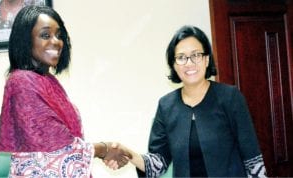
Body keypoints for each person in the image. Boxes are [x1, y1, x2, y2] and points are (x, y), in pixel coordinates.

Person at [114, 25, 267, 177]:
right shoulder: (166, 106)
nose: (189, 63)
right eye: (181, 57)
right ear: (174, 65)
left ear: (206, 59)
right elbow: (158, 163)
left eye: (196, 55)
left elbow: (252, 159)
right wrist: (129, 155)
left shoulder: (230, 97)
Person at [0, 5, 130, 177]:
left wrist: (102, 150)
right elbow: (58, 151)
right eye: (45, 35)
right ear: (25, 40)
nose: (56, 42)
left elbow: (64, 141)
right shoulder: (22, 81)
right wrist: (104, 149)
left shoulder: (48, 80)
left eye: (59, 35)